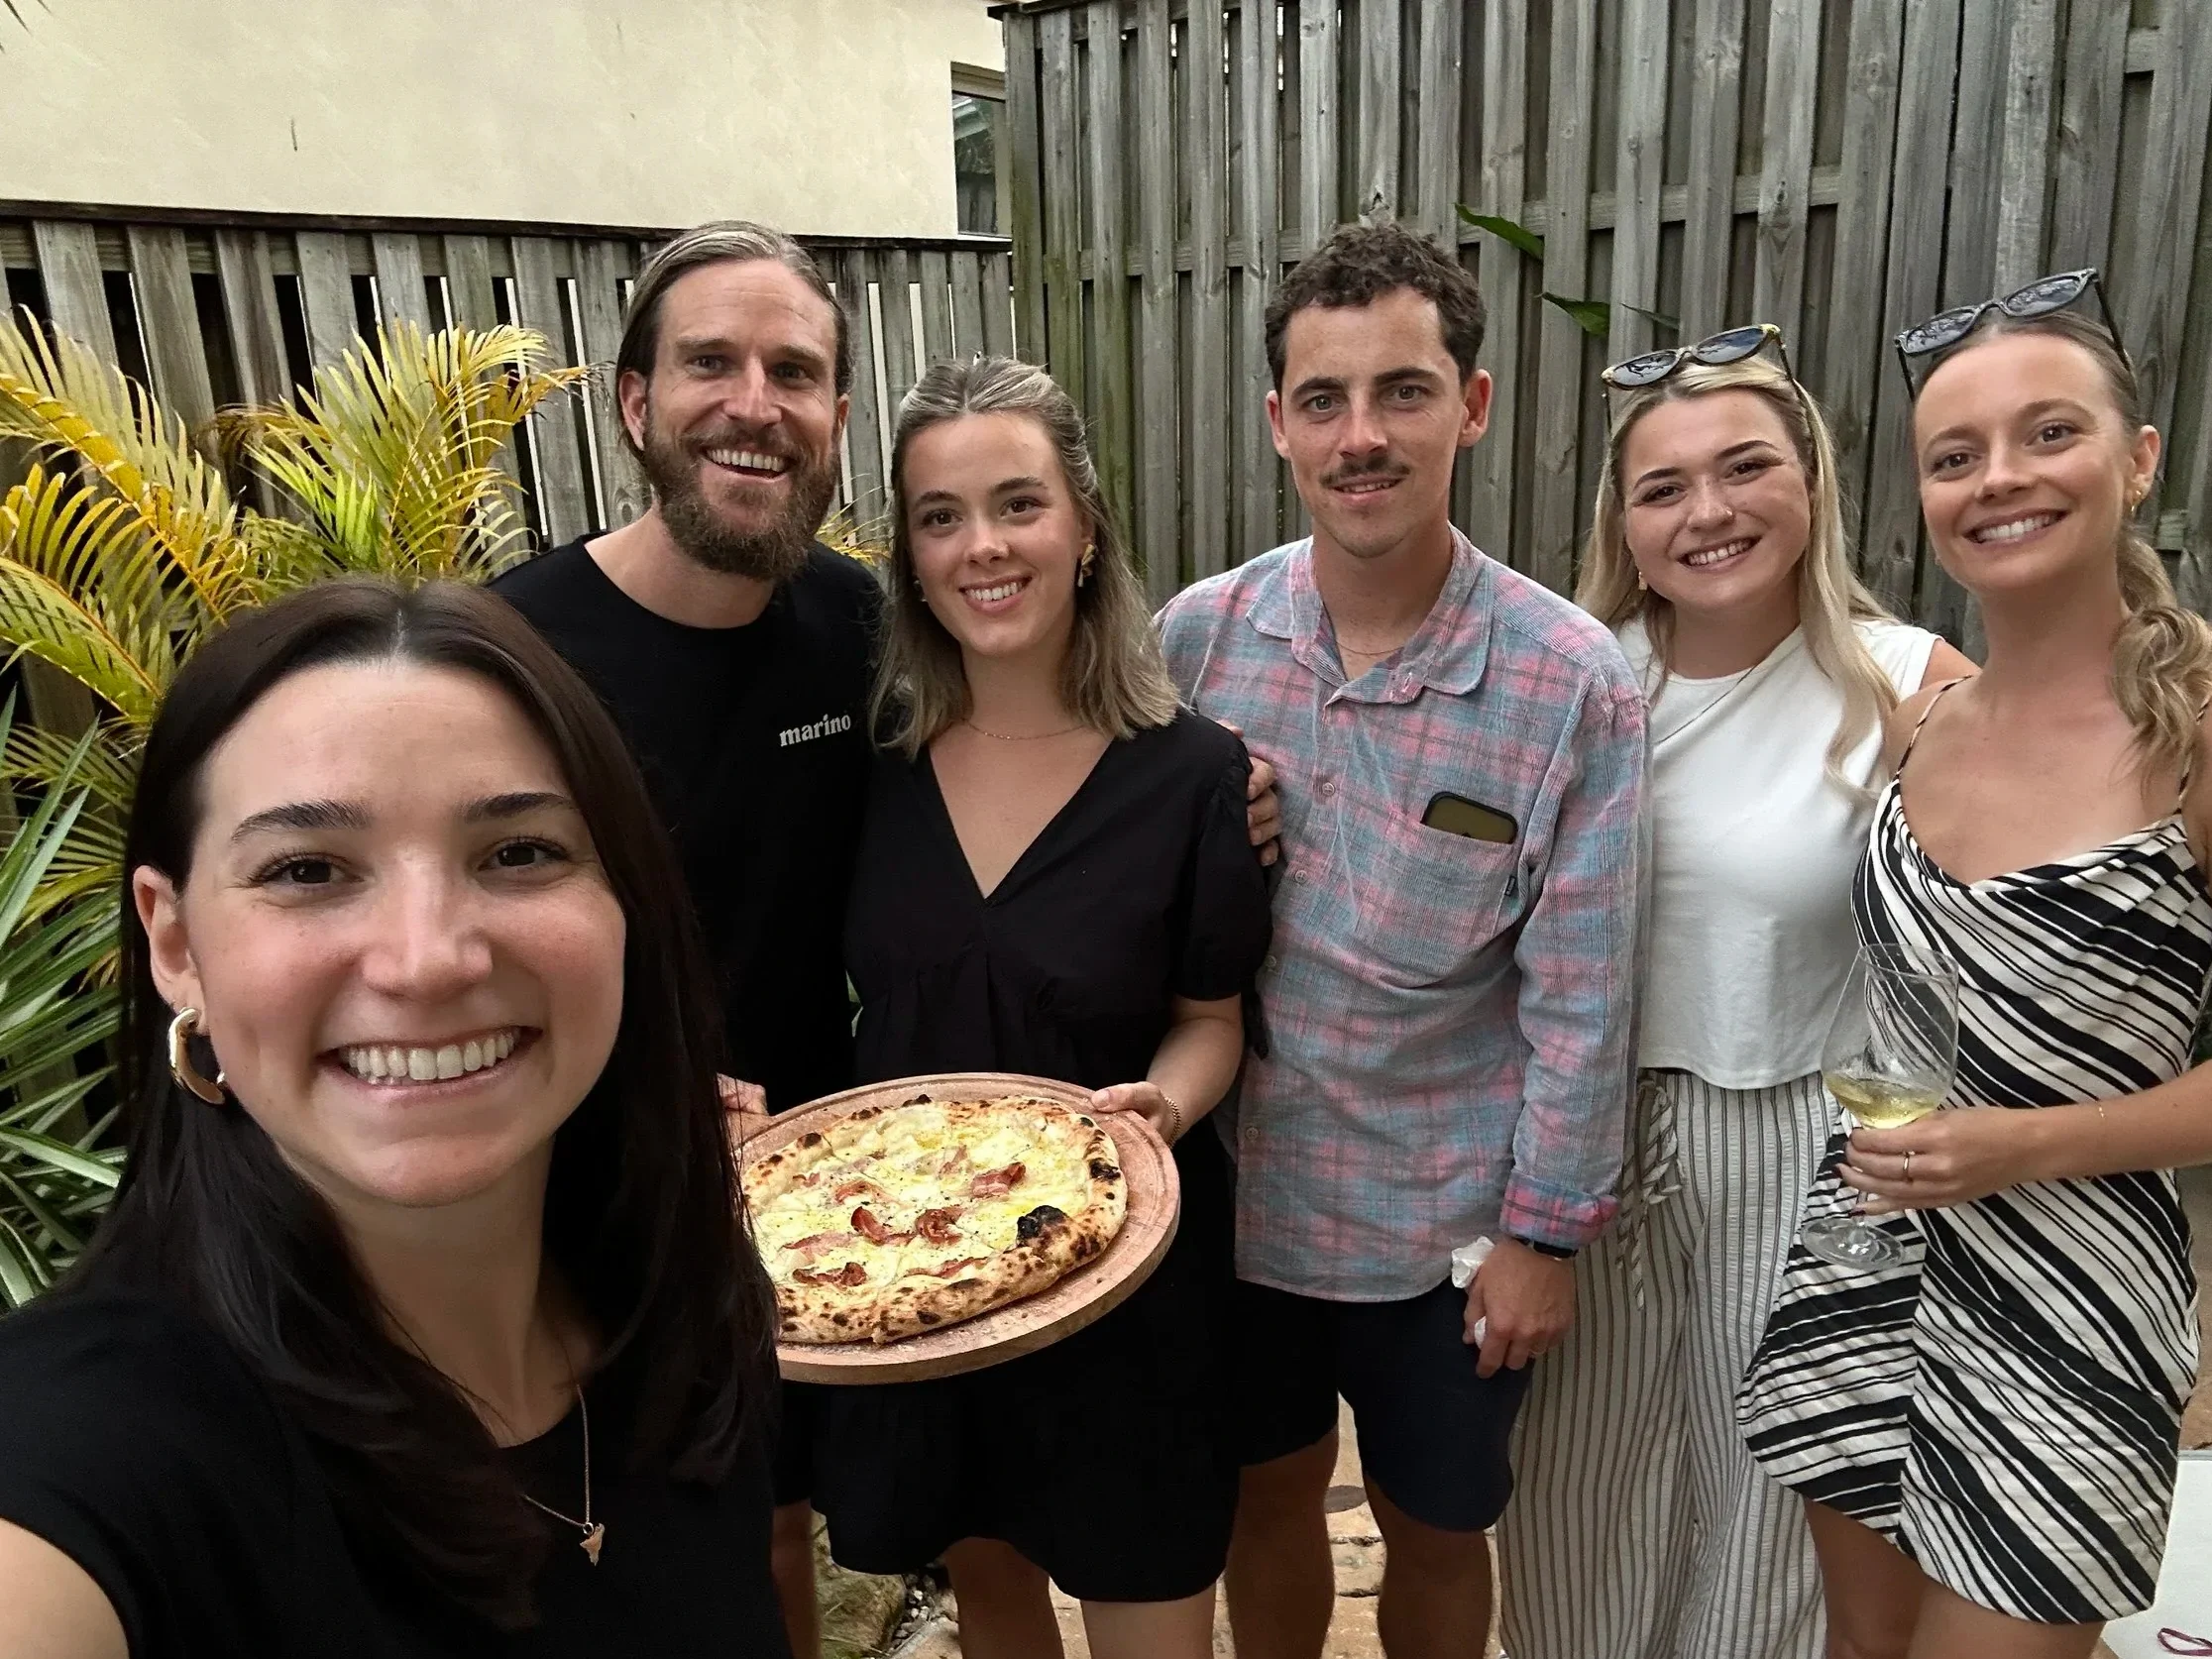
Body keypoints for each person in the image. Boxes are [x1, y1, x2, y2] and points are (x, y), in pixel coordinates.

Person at [491, 224, 1279, 1653]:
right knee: (703, 1549)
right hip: (712, 1208)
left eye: (791, 369)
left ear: (1084, 521)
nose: (982, 547)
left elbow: (1201, 988)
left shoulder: (858, 651)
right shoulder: (530, 659)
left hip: (1005, 1222)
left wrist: (1231, 809)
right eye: (710, 363)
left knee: (805, 1535)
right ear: (631, 400)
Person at [0, 579, 788, 1657]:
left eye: (519, 852)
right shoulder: (98, 1448)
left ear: (625, 908)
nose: (426, 959)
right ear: (175, 945)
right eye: (309, 870)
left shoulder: (686, 1307)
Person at [1157, 219, 1645, 1659]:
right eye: (1324, 400)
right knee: (1267, 1501)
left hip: (1448, 1228)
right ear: (1278, 426)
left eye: (1403, 392)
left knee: (1440, 1526)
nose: (1361, 436)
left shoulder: (1568, 683)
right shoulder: (1198, 645)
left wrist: (1545, 1235)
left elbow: (1583, 993)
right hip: (1243, 1204)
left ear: (1472, 405)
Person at [1736, 282, 2212, 1659]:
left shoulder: (2192, 739)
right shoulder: (1920, 714)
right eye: (1956, 456)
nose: (1999, 477)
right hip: (1869, 1263)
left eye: (2047, 433)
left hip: (2071, 1298)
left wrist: (2029, 1144)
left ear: (2138, 459)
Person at [1495, 330, 1972, 1659]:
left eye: (1746, 467)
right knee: (1577, 1491)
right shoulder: (1576, 677)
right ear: (1625, 523)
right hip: (1592, 1135)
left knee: (1773, 1500)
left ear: (1811, 483)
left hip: (1808, 1133)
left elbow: (2050, 844)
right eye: (1665, 487)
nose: (1708, 512)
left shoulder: (1905, 682)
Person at [797, 356, 1270, 1659]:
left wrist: (1162, 1100)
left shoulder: (1195, 775)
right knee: (994, 1597)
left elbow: (1210, 1016)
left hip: (1126, 1282)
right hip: (918, 1276)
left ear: (1085, 524)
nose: (982, 546)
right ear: (909, 551)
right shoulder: (867, 769)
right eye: (940, 517)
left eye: (1018, 504)